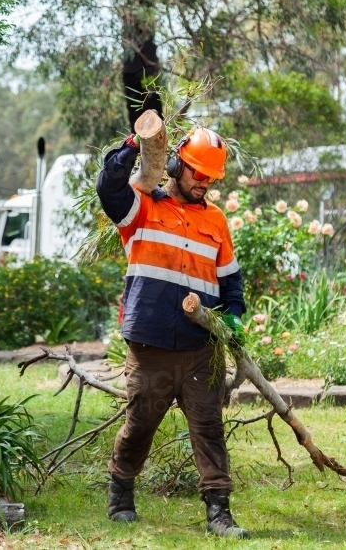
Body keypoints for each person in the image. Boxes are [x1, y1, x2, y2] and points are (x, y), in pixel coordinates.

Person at [95, 125, 249, 538]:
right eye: (198, 173)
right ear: (177, 164)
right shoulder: (141, 207)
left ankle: (219, 512)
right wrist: (136, 144)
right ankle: (121, 491)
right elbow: (108, 186)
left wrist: (232, 315)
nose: (204, 183)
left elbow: (231, 282)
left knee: (209, 427)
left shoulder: (216, 221)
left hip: (201, 345)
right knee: (141, 423)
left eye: (211, 178)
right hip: (151, 341)